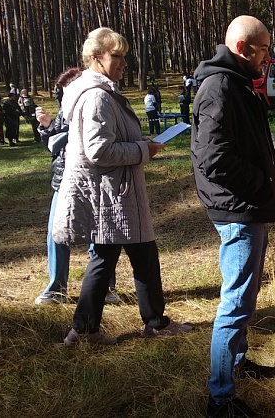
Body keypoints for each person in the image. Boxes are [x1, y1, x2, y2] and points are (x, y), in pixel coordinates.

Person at [52, 27, 191, 345]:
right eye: (117, 56)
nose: (124, 63)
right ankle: (94, 329)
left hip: (117, 192)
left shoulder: (102, 93)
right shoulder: (98, 97)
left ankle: (93, 328)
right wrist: (145, 149)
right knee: (118, 257)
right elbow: (98, 150)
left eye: (125, 56)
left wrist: (140, 144)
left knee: (129, 256)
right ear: (96, 59)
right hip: (112, 194)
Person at [191, 15, 275, 418]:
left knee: (244, 298)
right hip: (238, 210)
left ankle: (237, 362)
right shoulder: (219, 88)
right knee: (235, 303)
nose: (267, 56)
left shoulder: (237, 83)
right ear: (243, 48)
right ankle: (221, 398)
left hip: (247, 206)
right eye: (263, 49)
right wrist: (261, 183)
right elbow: (213, 158)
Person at [34, 67, 120, 306]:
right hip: (63, 182)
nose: (64, 98)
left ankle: (105, 287)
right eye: (60, 94)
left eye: (65, 92)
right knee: (57, 234)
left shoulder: (97, 101)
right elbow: (55, 143)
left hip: (96, 180)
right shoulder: (66, 106)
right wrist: (46, 126)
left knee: (101, 236)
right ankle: (56, 289)